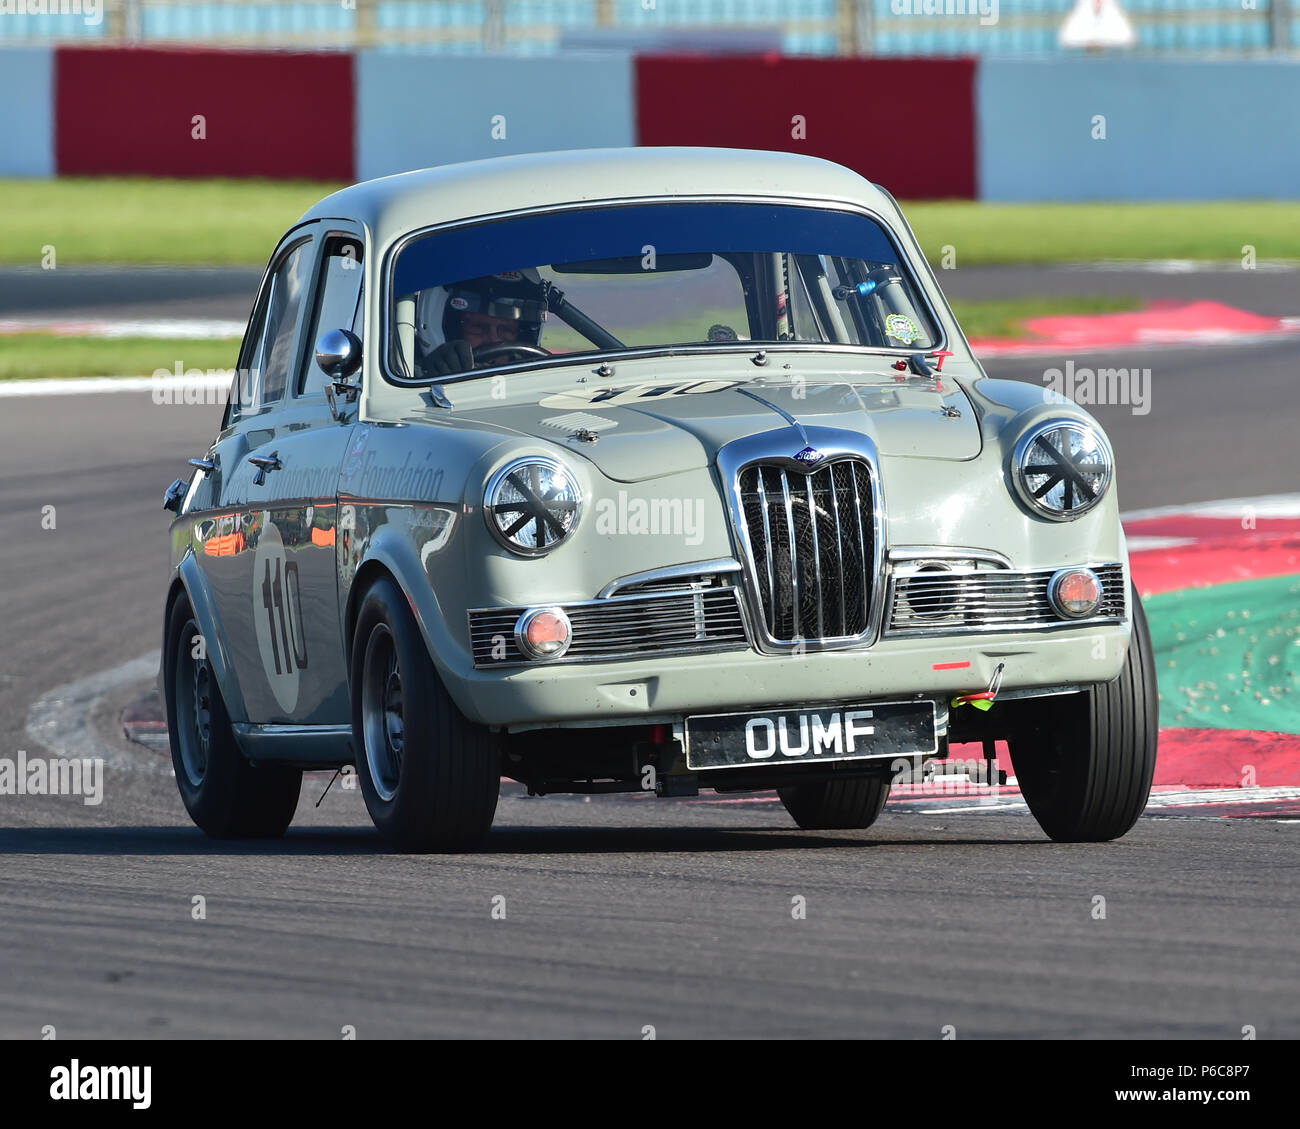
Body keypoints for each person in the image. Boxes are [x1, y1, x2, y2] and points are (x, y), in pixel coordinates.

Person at [420, 270, 548, 376]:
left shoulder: (540, 385)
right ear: (452, 330)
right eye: (478, 327)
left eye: (506, 330)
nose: (493, 340)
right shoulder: (410, 382)